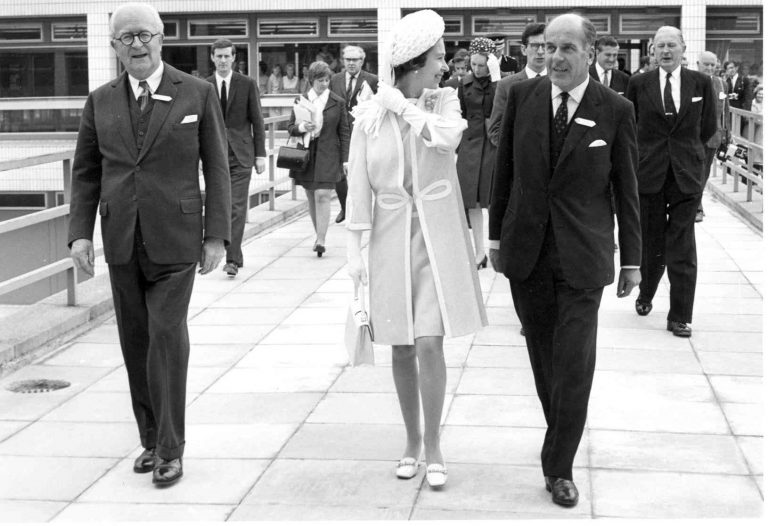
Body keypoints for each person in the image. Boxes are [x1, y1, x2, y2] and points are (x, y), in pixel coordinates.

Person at [68, 2, 230, 487]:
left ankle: (171, 448)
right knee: (135, 343)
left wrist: (217, 235)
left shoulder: (196, 93)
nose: (136, 45)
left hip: (177, 240)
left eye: (144, 35)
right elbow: (86, 172)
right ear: (114, 46)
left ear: (161, 38)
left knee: (166, 334)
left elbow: (217, 166)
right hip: (121, 240)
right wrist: (79, 233)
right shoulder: (100, 101)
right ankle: (150, 438)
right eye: (125, 38)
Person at [489, 13, 641, 507]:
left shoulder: (615, 108)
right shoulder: (522, 98)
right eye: (549, 47)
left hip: (583, 255)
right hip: (526, 252)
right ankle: (561, 438)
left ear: (590, 53)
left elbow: (627, 187)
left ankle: (559, 465)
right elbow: (504, 173)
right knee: (543, 360)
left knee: (574, 363)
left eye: (567, 48)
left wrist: (633, 259)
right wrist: (494, 239)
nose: (554, 57)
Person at [346, 9, 487, 489]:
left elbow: (447, 138)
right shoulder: (369, 114)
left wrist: (404, 107)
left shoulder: (444, 100)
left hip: (436, 235)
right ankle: (411, 439)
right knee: (402, 345)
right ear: (414, 63)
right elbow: (359, 184)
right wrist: (353, 252)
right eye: (439, 58)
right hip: (390, 238)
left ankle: (434, 445)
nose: (445, 65)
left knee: (430, 340)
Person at [626, 26, 716, 337]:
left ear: (683, 49)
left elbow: (707, 129)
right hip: (649, 174)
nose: (666, 51)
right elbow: (630, 129)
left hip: (686, 176)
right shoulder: (638, 84)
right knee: (651, 244)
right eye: (660, 46)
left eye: (671, 46)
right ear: (652, 50)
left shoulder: (701, 83)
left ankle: (680, 315)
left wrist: (684, 155)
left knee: (682, 247)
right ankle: (646, 293)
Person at [207, 39, 266, 278]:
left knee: (237, 207)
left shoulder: (247, 84)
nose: (222, 61)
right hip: (215, 155)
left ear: (234, 58)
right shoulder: (204, 86)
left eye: (226, 56)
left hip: (241, 155)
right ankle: (237, 254)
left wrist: (260, 154)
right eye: (218, 56)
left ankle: (231, 259)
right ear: (212, 58)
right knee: (220, 205)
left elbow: (258, 121)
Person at [287, 61, 350, 256]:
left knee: (323, 194)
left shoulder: (337, 101)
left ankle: (321, 240)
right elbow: (290, 128)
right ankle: (318, 235)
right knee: (311, 195)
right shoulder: (301, 100)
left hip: (329, 153)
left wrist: (346, 159)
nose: (324, 84)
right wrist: (301, 128)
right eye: (320, 80)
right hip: (306, 153)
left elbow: (344, 132)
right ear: (311, 80)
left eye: (327, 80)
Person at [456, 37, 499, 269]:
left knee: (493, 200)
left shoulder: (499, 84)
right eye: (473, 64)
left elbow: (501, 107)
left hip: (492, 146)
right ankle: (479, 252)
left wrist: (497, 79)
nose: (476, 68)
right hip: (470, 146)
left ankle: (495, 249)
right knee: (471, 200)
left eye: (481, 65)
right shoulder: (464, 84)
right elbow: (460, 113)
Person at [329, 45, 378, 224]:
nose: (351, 63)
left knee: (361, 172)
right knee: (339, 174)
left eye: (355, 60)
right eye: (348, 59)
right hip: (339, 133)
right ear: (343, 61)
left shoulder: (372, 80)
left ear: (362, 61)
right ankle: (344, 207)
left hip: (362, 132)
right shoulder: (335, 79)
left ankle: (361, 209)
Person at [488, 22, 547, 147]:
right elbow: (495, 131)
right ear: (524, 49)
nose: (540, 51)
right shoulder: (506, 85)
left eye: (545, 46)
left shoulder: (560, 82)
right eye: (535, 46)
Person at [695, 51, 731, 223]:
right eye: (706, 64)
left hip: (713, 137)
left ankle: (696, 204)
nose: (709, 68)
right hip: (693, 137)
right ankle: (696, 207)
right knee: (694, 172)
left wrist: (727, 136)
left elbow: (725, 112)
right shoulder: (691, 82)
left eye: (712, 64)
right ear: (698, 64)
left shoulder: (721, 84)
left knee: (704, 173)